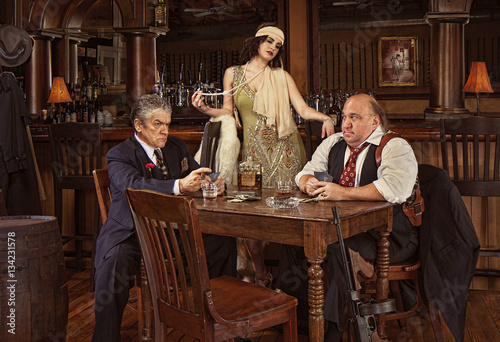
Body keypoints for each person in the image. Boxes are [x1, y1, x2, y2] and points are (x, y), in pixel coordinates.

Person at [191, 23, 335, 286]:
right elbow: (226, 111)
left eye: (277, 45)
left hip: (286, 153)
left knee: (293, 217)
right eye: (269, 41)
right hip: (253, 156)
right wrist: (204, 110)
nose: (272, 47)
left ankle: (293, 284)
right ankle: (259, 274)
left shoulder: (282, 76)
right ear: (256, 42)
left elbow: (302, 110)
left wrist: (326, 117)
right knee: (250, 218)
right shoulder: (233, 74)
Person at [92, 94, 237, 342]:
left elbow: (195, 174)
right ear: (138, 125)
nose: (165, 131)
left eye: (168, 124)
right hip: (131, 232)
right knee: (114, 262)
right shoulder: (119, 154)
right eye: (157, 124)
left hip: (171, 232)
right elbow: (133, 186)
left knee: (223, 240)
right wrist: (180, 186)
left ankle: (222, 325)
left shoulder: (176, 147)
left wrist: (211, 182)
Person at [275, 93, 419, 341]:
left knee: (333, 247)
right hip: (343, 230)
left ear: (374, 122)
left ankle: (333, 327)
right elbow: (304, 173)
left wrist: (343, 193)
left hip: (389, 237)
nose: (346, 124)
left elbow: (395, 188)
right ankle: (296, 319)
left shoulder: (393, 145)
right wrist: (308, 183)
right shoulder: (334, 143)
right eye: (344, 117)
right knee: (295, 240)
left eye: (354, 117)